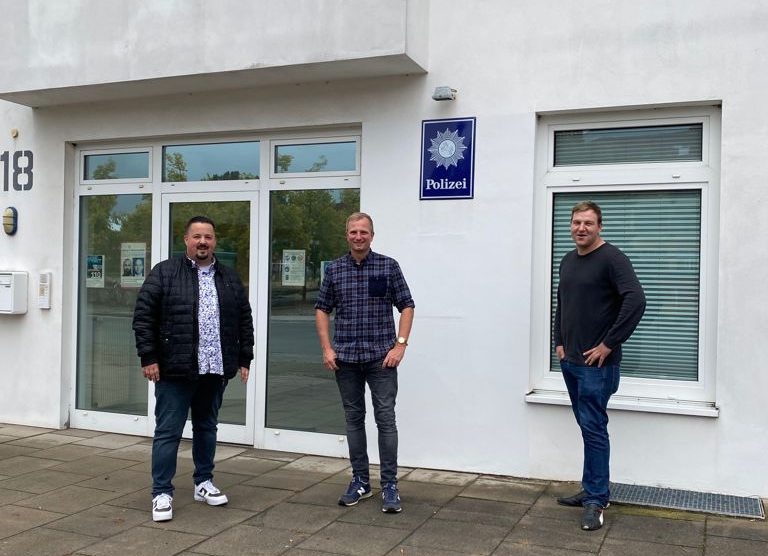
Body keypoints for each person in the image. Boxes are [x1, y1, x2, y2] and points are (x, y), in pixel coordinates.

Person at [133, 216, 254, 522]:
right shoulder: (165, 273)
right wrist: (149, 357)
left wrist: (244, 358)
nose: (203, 242)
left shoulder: (228, 277)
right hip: (175, 369)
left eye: (209, 237)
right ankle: (161, 492)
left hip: (214, 367)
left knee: (206, 428)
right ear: (185, 240)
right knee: (168, 432)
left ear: (215, 241)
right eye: (197, 236)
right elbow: (143, 317)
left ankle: (203, 482)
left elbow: (244, 319)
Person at [553, 201, 646, 531]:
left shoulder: (612, 258)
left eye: (588, 223)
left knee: (593, 429)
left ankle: (596, 500)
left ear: (600, 226)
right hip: (572, 362)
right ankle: (591, 488)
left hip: (597, 366)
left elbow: (636, 299)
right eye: (576, 222)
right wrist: (558, 343)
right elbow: (562, 302)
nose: (581, 228)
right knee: (588, 428)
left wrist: (609, 343)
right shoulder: (567, 260)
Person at [315, 212, 415, 513]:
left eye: (364, 232)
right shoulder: (334, 270)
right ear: (346, 235)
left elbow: (407, 305)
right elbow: (322, 309)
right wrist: (326, 349)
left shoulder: (388, 266)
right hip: (345, 359)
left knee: (386, 420)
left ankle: (389, 485)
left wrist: (400, 345)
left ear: (372, 235)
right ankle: (360, 481)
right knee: (353, 419)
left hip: (381, 359)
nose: (358, 237)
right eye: (353, 232)